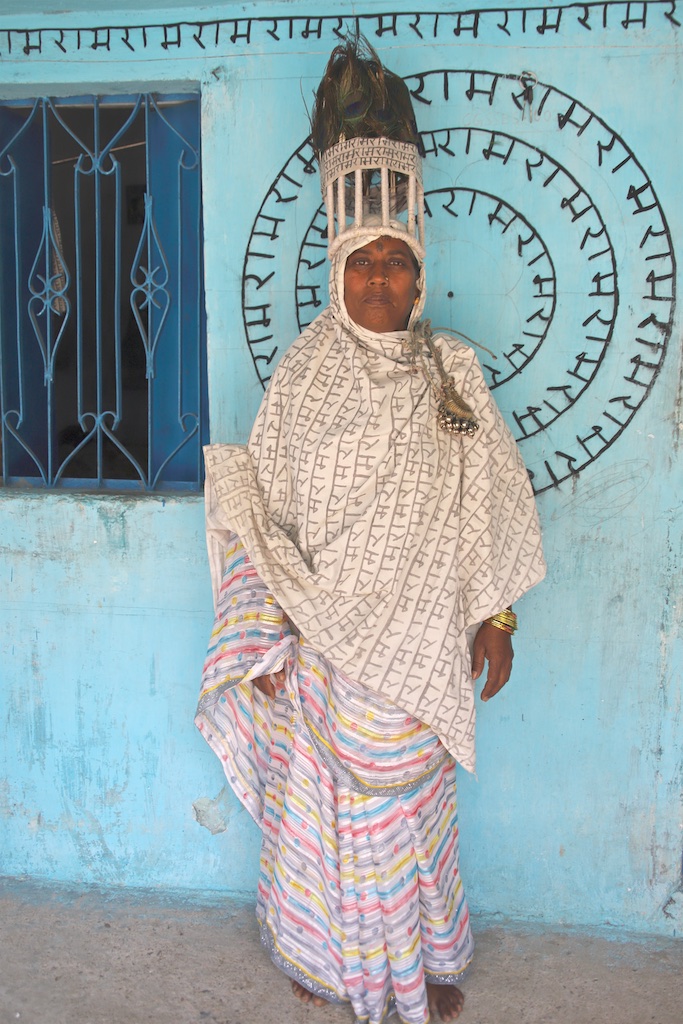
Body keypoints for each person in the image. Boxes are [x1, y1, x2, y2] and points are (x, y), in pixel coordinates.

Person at [196, 39, 545, 1024]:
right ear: (338, 271)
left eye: (396, 263)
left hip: (423, 650)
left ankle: (418, 961)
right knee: (330, 816)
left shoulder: (453, 372)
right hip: (322, 651)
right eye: (363, 263)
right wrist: (262, 640)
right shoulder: (304, 372)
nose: (380, 280)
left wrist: (497, 618)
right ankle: (327, 961)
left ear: (417, 273)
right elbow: (256, 512)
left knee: (411, 808)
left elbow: (490, 497)